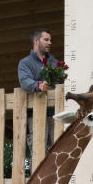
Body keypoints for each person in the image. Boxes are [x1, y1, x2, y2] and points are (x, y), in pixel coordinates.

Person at [17, 28, 59, 156]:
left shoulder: (54, 62)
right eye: (46, 40)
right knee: (38, 154)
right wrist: (39, 85)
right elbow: (24, 81)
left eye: (50, 40)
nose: (49, 42)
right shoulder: (25, 63)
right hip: (35, 113)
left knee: (59, 151)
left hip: (55, 113)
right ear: (36, 41)